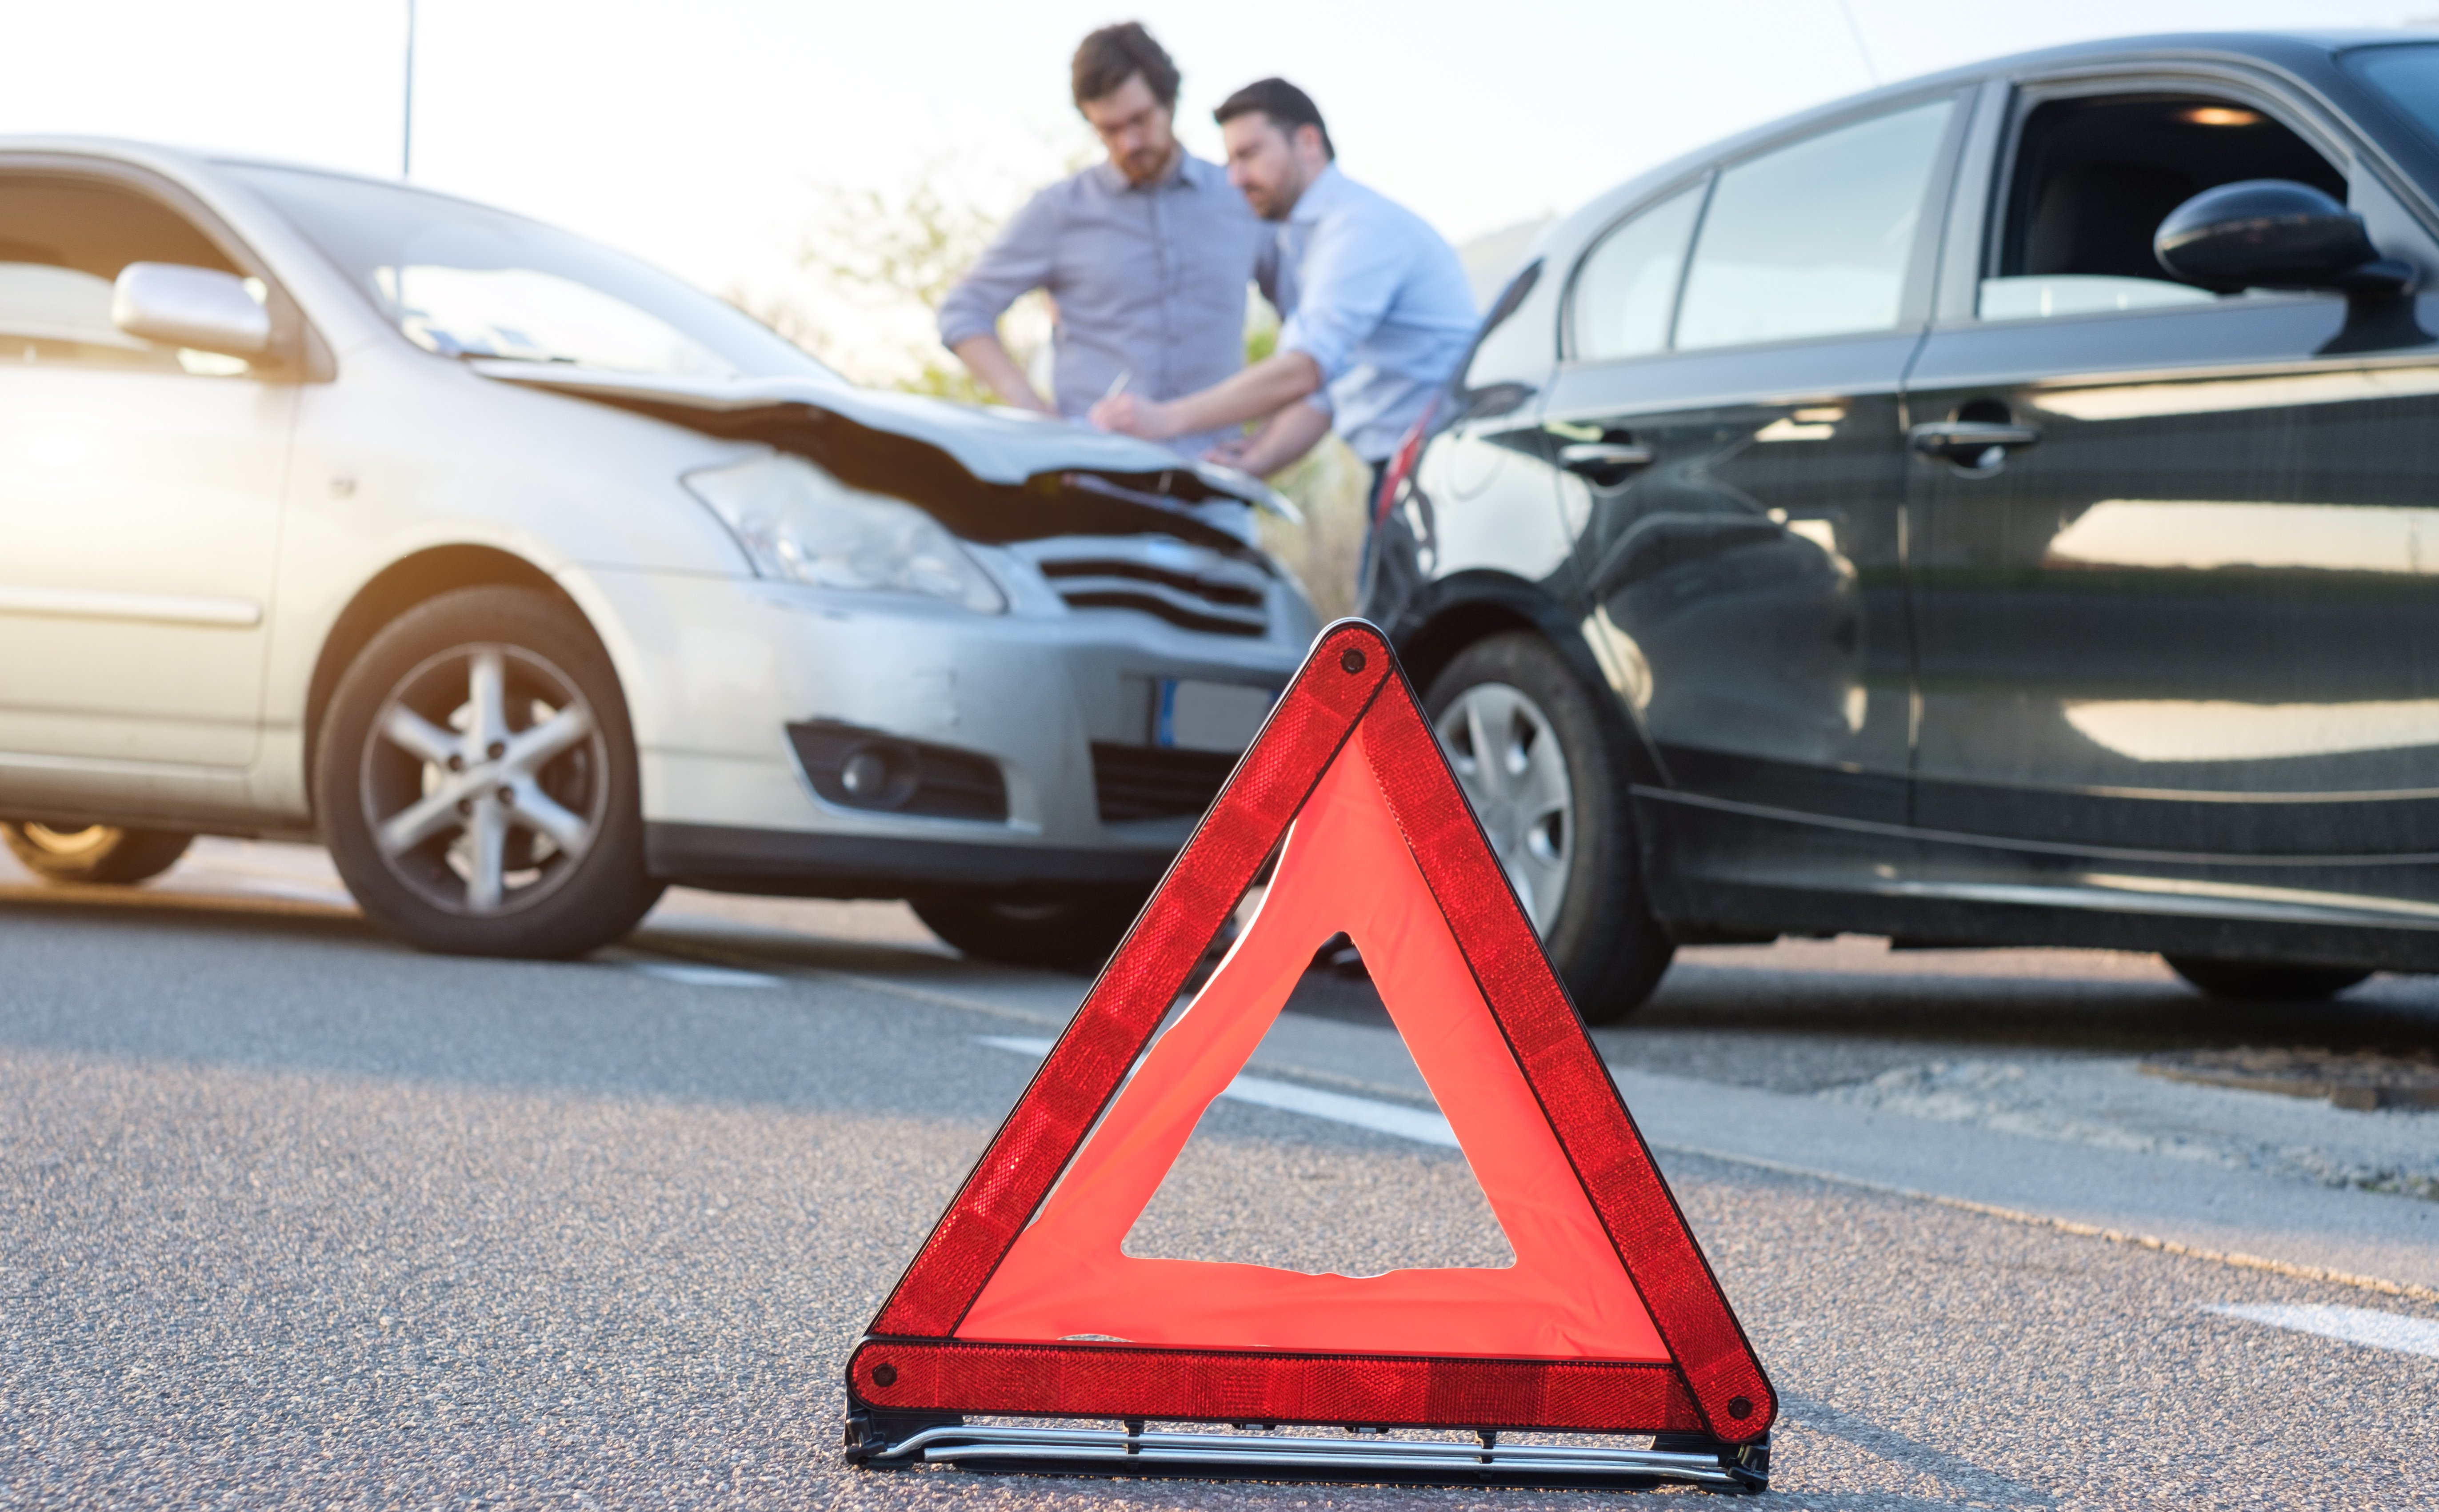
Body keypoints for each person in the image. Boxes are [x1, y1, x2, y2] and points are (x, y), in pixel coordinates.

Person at [1090, 77, 1477, 498]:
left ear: (1308, 143)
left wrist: (1165, 420)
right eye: (1230, 162)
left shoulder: (1359, 229)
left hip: (1445, 469)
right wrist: (1257, 456)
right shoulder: (1312, 238)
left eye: (1249, 155)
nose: (1235, 179)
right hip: (1410, 468)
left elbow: (1302, 371)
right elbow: (1328, 390)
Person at [936, 23, 1265, 460]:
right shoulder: (1060, 211)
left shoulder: (1241, 197)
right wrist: (1036, 416)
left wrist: (1266, 448)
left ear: (1169, 102)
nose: (1129, 143)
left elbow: (1312, 334)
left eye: (1139, 120)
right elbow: (963, 309)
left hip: (1214, 485)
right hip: (1095, 481)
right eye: (1109, 130)